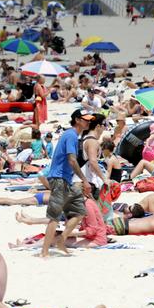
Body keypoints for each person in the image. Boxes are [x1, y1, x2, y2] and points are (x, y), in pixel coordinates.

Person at [41, 109, 93, 258]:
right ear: (77, 120)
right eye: (85, 119)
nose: (88, 122)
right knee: (54, 217)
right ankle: (44, 252)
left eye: (89, 120)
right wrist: (84, 179)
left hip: (66, 180)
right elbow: (71, 160)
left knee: (80, 212)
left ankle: (61, 241)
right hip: (59, 179)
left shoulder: (73, 136)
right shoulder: (71, 135)